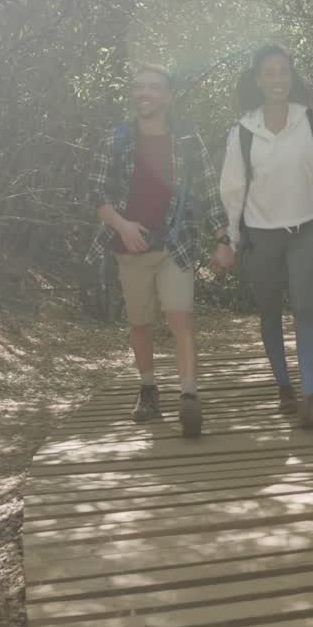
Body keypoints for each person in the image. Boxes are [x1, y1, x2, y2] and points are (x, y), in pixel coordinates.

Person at [211, 44, 313, 427]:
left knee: (303, 307)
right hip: (259, 239)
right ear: (257, 80)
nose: (277, 80)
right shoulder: (242, 132)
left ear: (291, 77)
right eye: (269, 73)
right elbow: (232, 192)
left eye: (283, 72)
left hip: (305, 232)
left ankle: (311, 394)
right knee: (269, 312)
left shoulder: (311, 123)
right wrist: (231, 241)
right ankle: (284, 388)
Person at [84, 64, 226, 437]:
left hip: (175, 244)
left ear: (167, 96)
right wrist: (122, 225)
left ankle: (189, 396)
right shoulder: (115, 139)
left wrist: (223, 238)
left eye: (152, 87)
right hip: (129, 247)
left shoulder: (187, 140)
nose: (143, 93)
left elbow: (209, 194)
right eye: (138, 87)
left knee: (181, 319)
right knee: (141, 323)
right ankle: (148, 390)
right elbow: (95, 196)